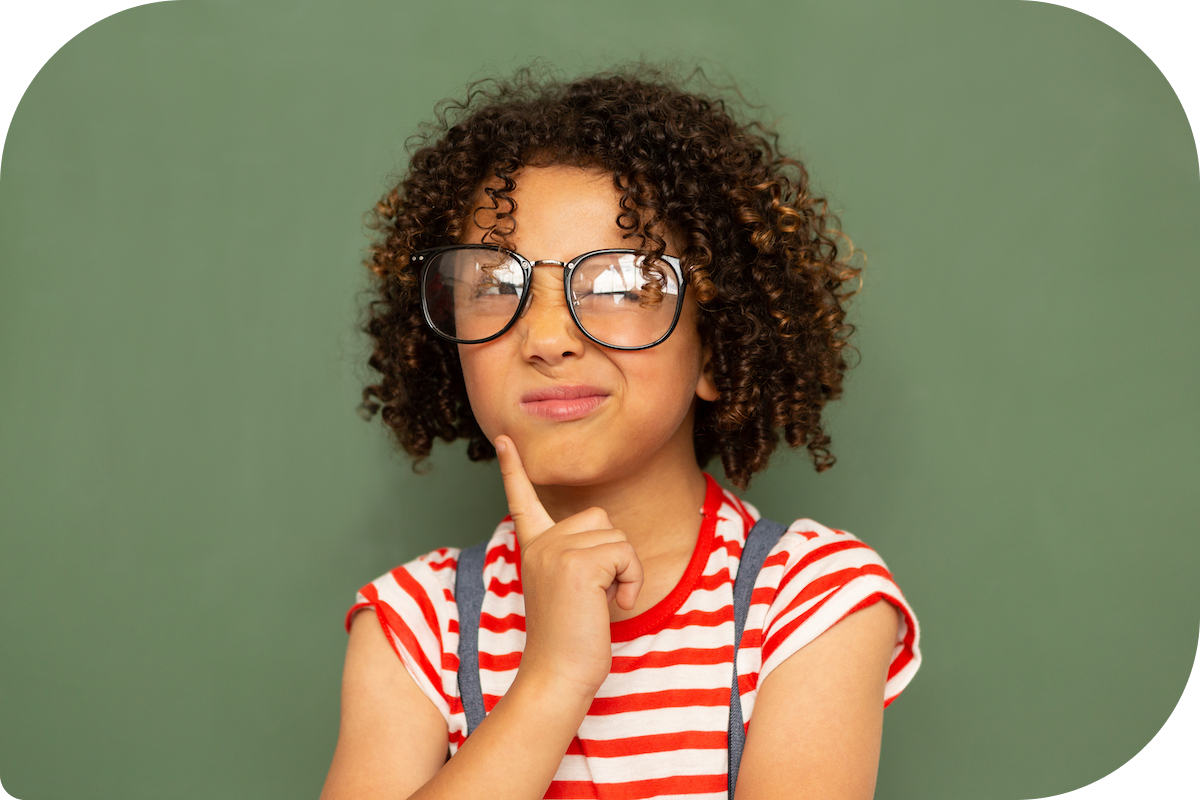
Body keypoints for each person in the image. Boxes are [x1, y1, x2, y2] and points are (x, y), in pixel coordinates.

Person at [321, 65, 921, 800]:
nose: (546, 338)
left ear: (715, 346)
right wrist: (553, 678)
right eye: (495, 285)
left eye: (616, 286)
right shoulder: (415, 624)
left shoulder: (810, 599)